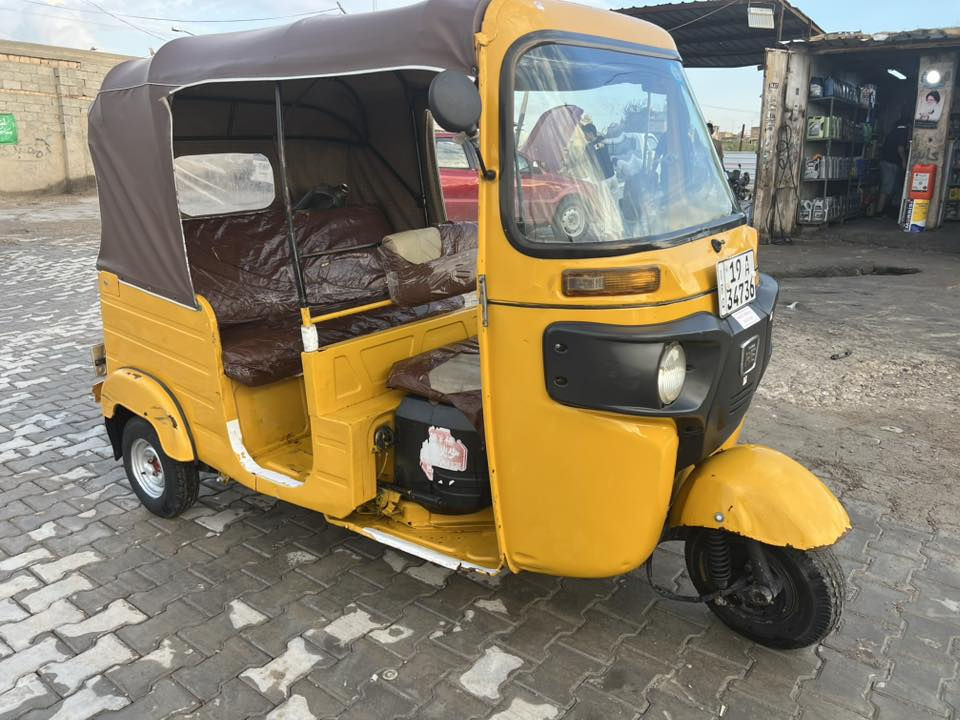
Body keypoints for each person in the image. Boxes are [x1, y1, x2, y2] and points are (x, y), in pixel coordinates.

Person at [878, 116, 910, 215]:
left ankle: (885, 210)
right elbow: (900, 149)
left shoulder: (893, 132)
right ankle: (879, 211)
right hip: (891, 163)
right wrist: (904, 161)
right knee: (887, 188)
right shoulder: (903, 132)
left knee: (890, 187)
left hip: (886, 161)